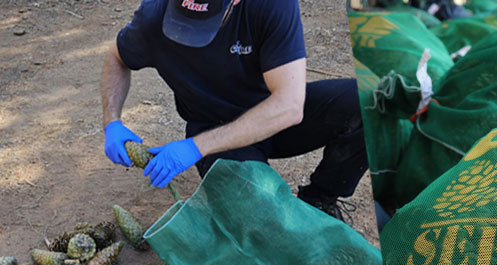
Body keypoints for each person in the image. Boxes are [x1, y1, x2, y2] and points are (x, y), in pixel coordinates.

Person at [101, 0, 368, 220]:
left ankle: (320, 199)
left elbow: (288, 105)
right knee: (262, 220)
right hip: (214, 130)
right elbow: (117, 57)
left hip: (273, 115)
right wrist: (112, 122)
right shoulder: (154, 15)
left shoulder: (271, 6)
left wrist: (193, 148)